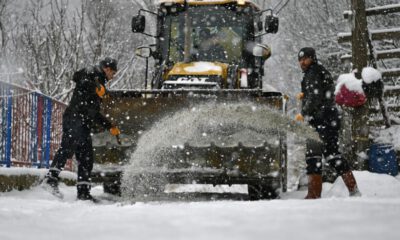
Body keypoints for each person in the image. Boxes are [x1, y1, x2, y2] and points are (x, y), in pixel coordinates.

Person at [42, 57, 120, 201]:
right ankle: (50, 180)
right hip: (74, 118)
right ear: (107, 69)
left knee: (86, 158)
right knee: (67, 148)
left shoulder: (99, 84)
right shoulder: (91, 73)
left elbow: (93, 112)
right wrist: (96, 87)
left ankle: (83, 192)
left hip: (83, 122)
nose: (112, 77)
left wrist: (110, 127)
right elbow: (79, 76)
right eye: (113, 73)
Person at [295, 47, 361, 199]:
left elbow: (315, 97)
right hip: (328, 118)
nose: (302, 62)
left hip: (321, 119)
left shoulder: (313, 73)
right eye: (300, 60)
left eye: (305, 58)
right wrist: (305, 96)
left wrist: (303, 112)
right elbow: (320, 92)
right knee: (332, 155)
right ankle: (353, 190)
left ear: (312, 58)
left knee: (314, 156)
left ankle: (314, 194)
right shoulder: (317, 71)